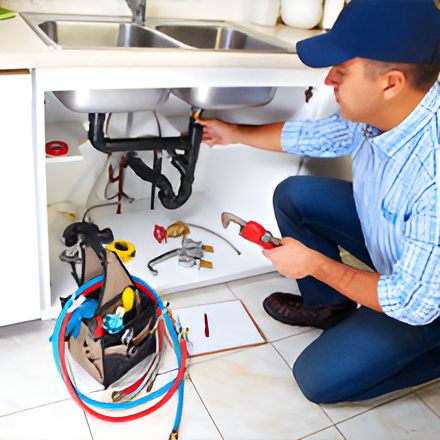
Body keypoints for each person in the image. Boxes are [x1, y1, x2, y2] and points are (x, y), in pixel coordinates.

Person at [198, 0, 440, 404]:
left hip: (427, 299)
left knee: (317, 379)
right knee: (295, 195)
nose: (329, 80)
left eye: (342, 72)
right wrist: (233, 132)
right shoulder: (386, 108)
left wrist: (316, 266)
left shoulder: (433, 172)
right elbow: (314, 137)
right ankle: (330, 308)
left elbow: (413, 303)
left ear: (391, 82)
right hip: (402, 251)